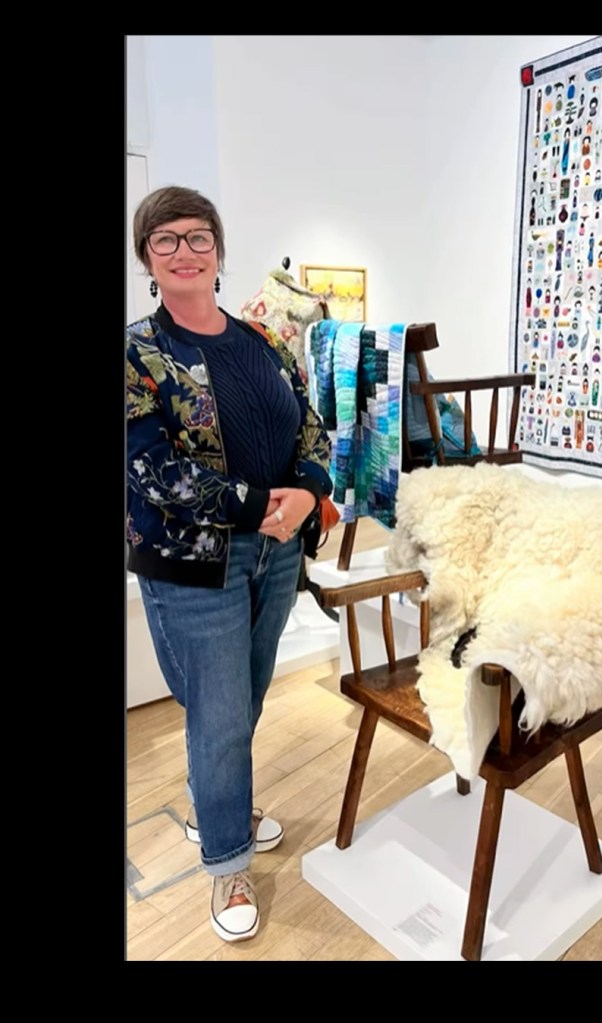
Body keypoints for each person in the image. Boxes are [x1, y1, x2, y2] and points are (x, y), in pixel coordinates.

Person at [126, 186, 333, 943]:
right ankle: (227, 860)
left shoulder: (263, 342)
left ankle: (220, 804)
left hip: (276, 548)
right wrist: (254, 505)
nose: (184, 250)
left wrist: (309, 491)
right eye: (165, 239)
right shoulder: (137, 352)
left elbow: (310, 425)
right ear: (147, 257)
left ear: (218, 249)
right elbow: (149, 468)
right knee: (217, 714)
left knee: (243, 697)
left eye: (198, 236)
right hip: (192, 558)